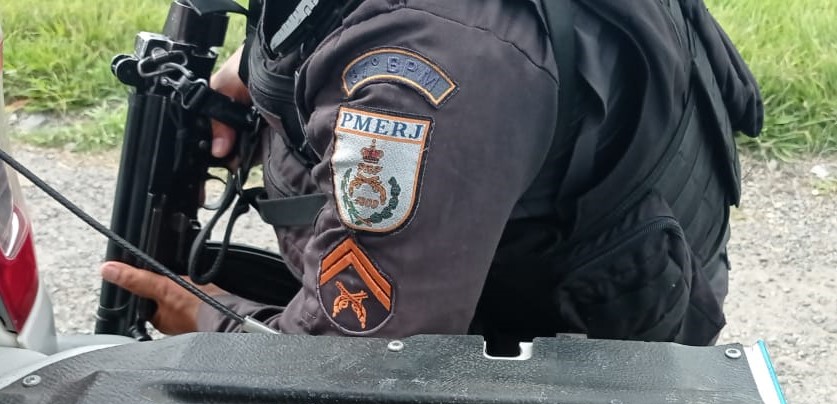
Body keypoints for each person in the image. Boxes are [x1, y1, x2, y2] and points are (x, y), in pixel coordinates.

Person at [100, 0, 762, 350]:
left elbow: (356, 362)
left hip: (589, 358)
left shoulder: (422, 68)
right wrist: (264, 69)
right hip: (593, 228)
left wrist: (210, 323)